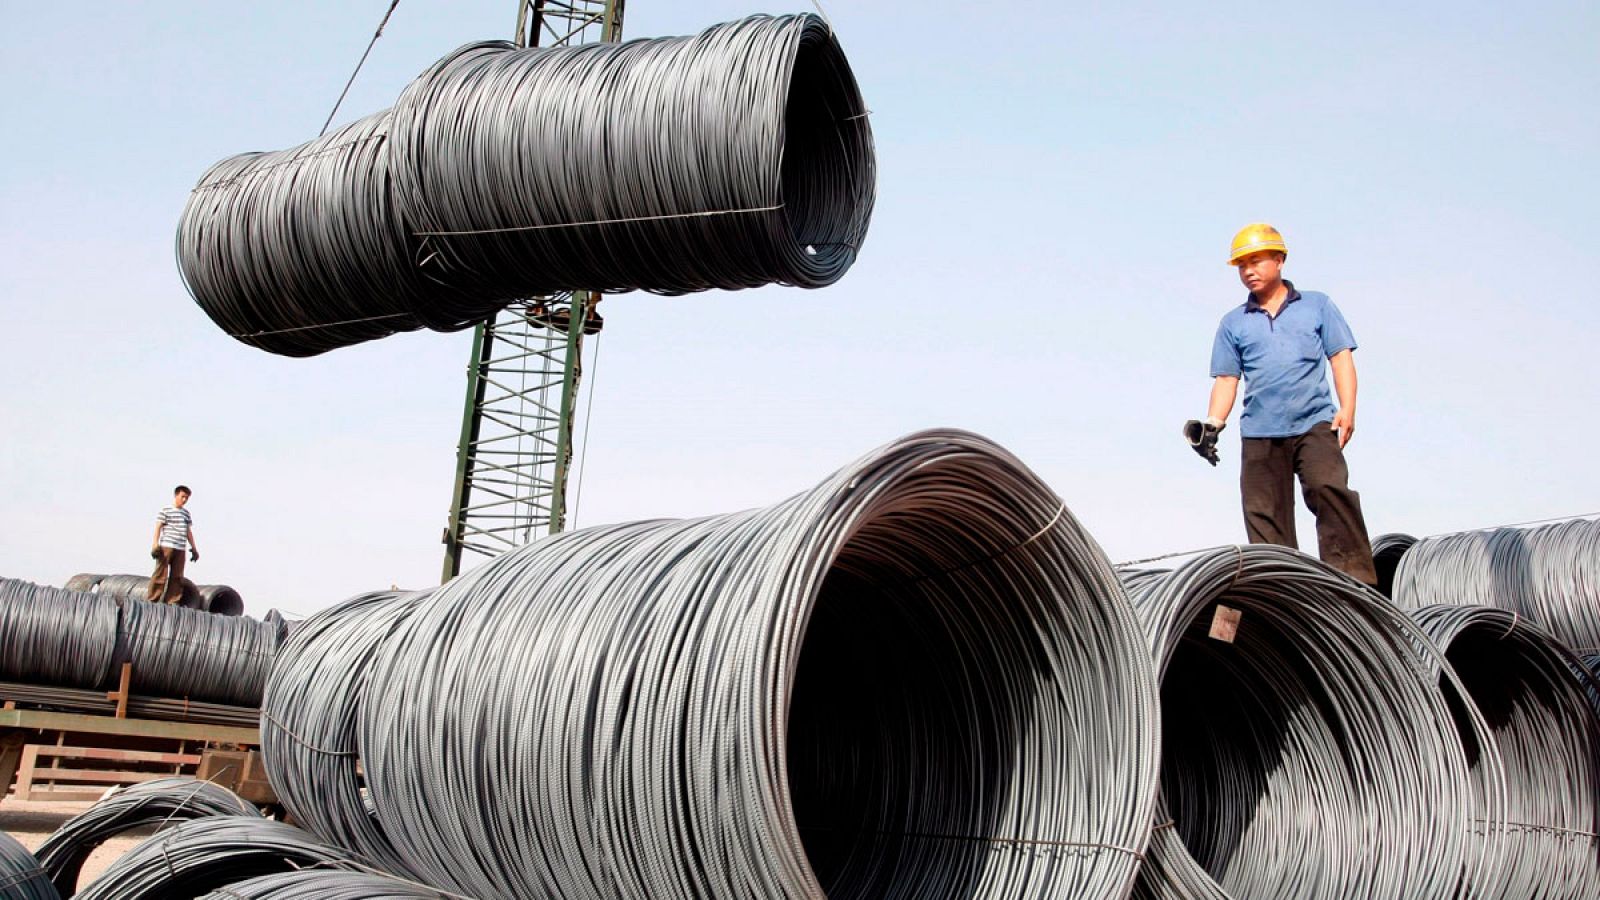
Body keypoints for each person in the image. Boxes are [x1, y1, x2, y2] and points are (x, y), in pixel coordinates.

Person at [1184, 223, 1378, 585]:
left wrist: (1347, 409)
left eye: (1255, 261)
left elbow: (1340, 357)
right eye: (1241, 265)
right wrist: (1213, 423)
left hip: (1315, 424)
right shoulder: (1233, 323)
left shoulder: (1317, 306)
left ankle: (1355, 584)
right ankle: (1284, 590)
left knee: (1329, 489)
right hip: (1259, 431)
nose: (1248, 271)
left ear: (1279, 259)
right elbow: (1227, 379)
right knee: (1263, 514)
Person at [149, 485, 200, 604]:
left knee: (177, 576)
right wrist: (155, 544)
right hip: (167, 545)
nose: (184, 500)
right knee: (161, 573)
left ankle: (172, 601)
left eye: (187, 498)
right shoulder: (166, 510)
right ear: (176, 495)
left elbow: (188, 531)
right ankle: (153, 599)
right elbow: (158, 527)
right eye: (182, 497)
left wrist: (194, 548)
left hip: (180, 547)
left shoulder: (186, 514)